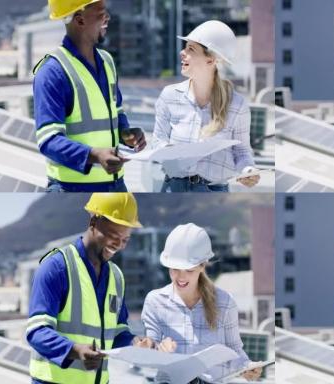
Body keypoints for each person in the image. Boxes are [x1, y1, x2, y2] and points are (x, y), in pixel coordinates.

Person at [27, 193, 156, 384]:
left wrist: (135, 343)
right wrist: (75, 350)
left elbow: (119, 331)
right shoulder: (57, 267)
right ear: (94, 222)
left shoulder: (116, 277)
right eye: (114, 236)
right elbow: (36, 331)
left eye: (125, 240)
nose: (119, 246)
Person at [33, 0, 147, 193]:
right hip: (71, 189)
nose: (108, 17)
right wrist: (94, 155)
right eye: (101, 12)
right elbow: (48, 140)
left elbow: (116, 112)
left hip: (116, 185)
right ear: (80, 20)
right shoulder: (52, 72)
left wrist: (126, 133)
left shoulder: (107, 61)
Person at [141, 223, 262, 383]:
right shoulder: (155, 301)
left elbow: (234, 350)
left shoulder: (225, 302)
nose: (181, 277)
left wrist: (247, 367)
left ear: (202, 266)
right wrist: (156, 348)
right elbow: (151, 345)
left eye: (189, 270)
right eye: (175, 269)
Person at [151, 20, 259, 192]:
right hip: (172, 187)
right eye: (185, 47)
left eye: (190, 49)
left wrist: (248, 171)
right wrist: (171, 152)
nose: (182, 52)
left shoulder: (237, 104)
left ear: (211, 60)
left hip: (213, 192)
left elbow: (242, 152)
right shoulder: (169, 95)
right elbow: (157, 141)